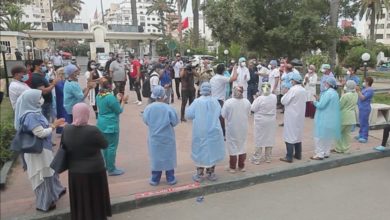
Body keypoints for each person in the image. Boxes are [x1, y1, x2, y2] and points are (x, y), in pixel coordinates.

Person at [14, 89, 66, 212]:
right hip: (38, 151)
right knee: (43, 174)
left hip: (42, 149)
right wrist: (54, 125)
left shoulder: (34, 111)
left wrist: (52, 124)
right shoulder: (30, 116)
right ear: (31, 101)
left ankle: (55, 192)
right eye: (38, 98)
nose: (41, 100)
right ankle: (45, 203)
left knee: (50, 171)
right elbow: (40, 133)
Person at [62, 103, 111, 220]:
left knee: (80, 196)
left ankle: (81, 216)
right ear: (87, 114)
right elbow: (105, 144)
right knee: (95, 194)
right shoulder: (93, 130)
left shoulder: (67, 129)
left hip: (75, 170)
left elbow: (64, 146)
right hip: (95, 170)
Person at [186, 82, 225, 182]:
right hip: (213, 130)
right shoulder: (215, 101)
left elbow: (189, 115)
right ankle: (211, 173)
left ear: (201, 90)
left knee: (200, 151)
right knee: (213, 150)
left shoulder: (197, 101)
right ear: (210, 90)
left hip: (200, 131)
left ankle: (199, 174)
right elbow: (220, 112)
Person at [143, 86, 179, 186]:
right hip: (167, 137)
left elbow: (146, 121)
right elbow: (175, 121)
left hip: (154, 137)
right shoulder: (169, 108)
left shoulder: (148, 108)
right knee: (168, 157)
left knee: (156, 158)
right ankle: (170, 177)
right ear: (164, 95)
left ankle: (155, 179)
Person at [96, 79, 128, 176]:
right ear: (110, 85)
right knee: (111, 147)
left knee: (104, 146)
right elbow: (118, 110)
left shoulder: (99, 95)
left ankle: (105, 165)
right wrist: (123, 101)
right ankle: (111, 169)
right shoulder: (110, 97)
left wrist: (117, 99)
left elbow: (109, 106)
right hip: (111, 124)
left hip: (101, 123)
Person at [221, 86, 251, 173]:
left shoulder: (228, 102)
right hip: (243, 127)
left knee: (232, 147)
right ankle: (241, 166)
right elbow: (248, 113)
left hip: (232, 128)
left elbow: (223, 115)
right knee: (242, 146)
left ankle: (232, 167)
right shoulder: (247, 102)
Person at [311, 77, 341, 160]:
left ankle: (319, 154)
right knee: (328, 136)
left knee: (319, 136)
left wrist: (315, 102)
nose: (324, 84)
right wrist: (319, 100)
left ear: (329, 84)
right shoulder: (335, 93)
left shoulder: (328, 93)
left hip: (324, 117)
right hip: (331, 118)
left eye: (325, 83)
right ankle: (326, 152)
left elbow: (321, 105)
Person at [280, 73, 307, 163]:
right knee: (298, 135)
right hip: (300, 115)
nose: (290, 82)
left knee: (289, 135)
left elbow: (283, 101)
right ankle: (298, 154)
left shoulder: (293, 90)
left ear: (294, 81)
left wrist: (284, 93)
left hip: (291, 115)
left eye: (291, 80)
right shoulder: (303, 90)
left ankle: (289, 156)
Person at [250, 83, 277, 165]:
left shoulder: (259, 99)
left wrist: (255, 98)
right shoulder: (274, 97)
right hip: (271, 120)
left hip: (261, 120)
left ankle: (256, 158)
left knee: (259, 138)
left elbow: (253, 108)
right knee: (269, 137)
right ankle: (268, 157)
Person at [210, 63, 238, 137]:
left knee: (214, 117)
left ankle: (214, 133)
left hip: (212, 99)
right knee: (221, 117)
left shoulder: (213, 78)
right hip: (219, 100)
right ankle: (223, 134)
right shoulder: (221, 78)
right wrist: (235, 69)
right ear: (223, 71)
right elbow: (234, 78)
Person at [334, 80, 358, 154]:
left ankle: (339, 148)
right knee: (347, 134)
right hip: (351, 117)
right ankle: (346, 149)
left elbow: (340, 105)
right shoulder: (356, 94)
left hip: (344, 116)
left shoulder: (346, 95)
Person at [356, 77, 375, 143]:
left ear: (367, 82)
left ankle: (364, 137)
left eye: (364, 81)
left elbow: (363, 98)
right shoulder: (365, 89)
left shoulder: (370, 90)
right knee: (361, 122)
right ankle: (361, 135)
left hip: (365, 108)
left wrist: (358, 91)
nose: (363, 82)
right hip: (361, 107)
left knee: (364, 123)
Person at [54, 68, 67, 134]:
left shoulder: (62, 81)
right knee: (63, 114)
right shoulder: (58, 81)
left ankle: (61, 130)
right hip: (61, 100)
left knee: (62, 114)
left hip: (61, 99)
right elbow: (62, 90)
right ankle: (62, 130)